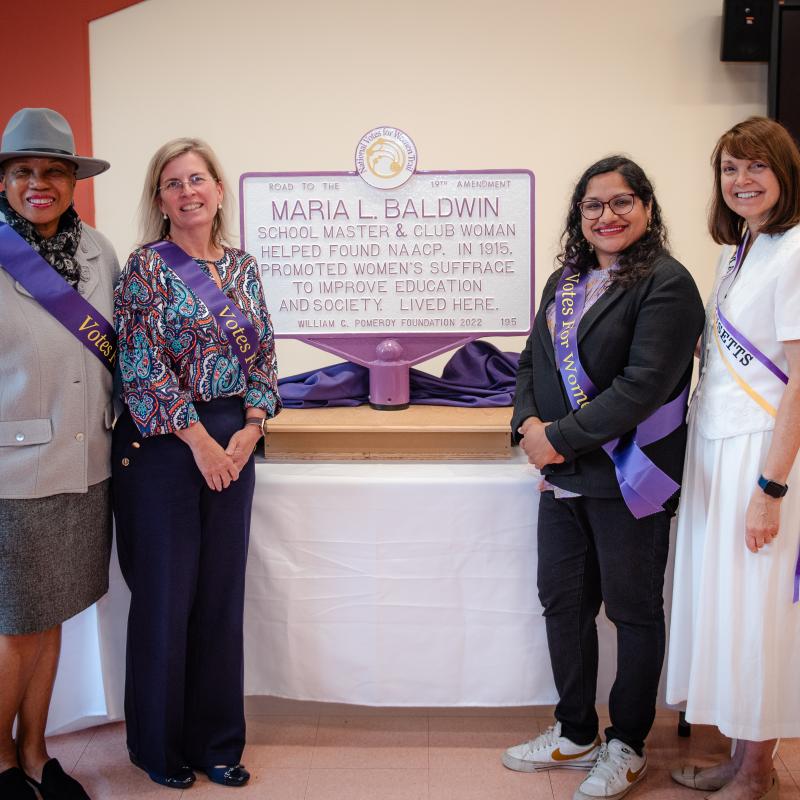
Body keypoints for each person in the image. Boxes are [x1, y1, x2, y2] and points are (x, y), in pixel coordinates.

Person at [502, 156, 704, 800]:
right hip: (564, 479)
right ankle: (575, 730)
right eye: (593, 205)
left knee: (634, 611)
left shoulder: (668, 284)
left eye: (621, 202)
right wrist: (529, 427)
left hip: (631, 477)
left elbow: (642, 387)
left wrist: (553, 441)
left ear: (646, 207)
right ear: (578, 215)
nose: (606, 215)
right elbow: (532, 363)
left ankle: (628, 745)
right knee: (563, 603)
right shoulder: (564, 282)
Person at [113, 138, 281, 790]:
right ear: (160, 200)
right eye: (173, 183)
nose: (188, 192)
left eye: (197, 179)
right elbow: (141, 368)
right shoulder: (144, 269)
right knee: (166, 600)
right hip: (162, 448)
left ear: (217, 188)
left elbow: (264, 358)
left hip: (233, 438)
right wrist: (201, 442)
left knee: (219, 598)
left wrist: (251, 427)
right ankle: (159, 748)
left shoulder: (242, 268)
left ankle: (217, 743)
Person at [666, 117, 800, 800]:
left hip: (764, 454)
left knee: (758, 609)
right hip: (714, 446)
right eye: (729, 169)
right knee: (727, 603)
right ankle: (738, 756)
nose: (742, 181)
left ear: (784, 174)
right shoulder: (738, 250)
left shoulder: (798, 248)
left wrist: (770, 488)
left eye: (756, 168)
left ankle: (757, 771)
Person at [0, 108, 116, 800]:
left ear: (73, 180)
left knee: (51, 621)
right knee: (16, 626)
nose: (39, 182)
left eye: (53, 171)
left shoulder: (100, 252)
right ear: (6, 182)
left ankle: (38, 752)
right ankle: (2, 763)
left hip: (84, 465)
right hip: (13, 471)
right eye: (24, 172)